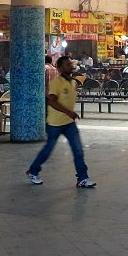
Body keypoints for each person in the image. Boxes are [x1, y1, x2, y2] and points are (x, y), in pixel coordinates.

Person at [25, 56, 96, 188]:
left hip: (69, 124)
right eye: (68, 64)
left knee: (78, 150)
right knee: (48, 149)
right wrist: (68, 112)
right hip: (55, 124)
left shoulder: (72, 82)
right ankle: (33, 171)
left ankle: (82, 178)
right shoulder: (56, 82)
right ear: (60, 68)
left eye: (71, 63)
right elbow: (52, 101)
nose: (71, 66)